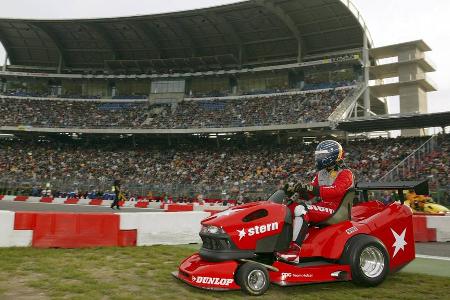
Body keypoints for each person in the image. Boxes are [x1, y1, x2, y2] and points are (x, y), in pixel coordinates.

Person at [277, 140, 354, 263]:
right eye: (318, 155)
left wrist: (310, 188)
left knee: (300, 209)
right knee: (289, 208)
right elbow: (310, 194)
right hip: (324, 207)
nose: (318, 157)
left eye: (322, 155)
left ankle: (294, 251)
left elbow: (336, 191)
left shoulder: (346, 173)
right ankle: (283, 244)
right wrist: (295, 190)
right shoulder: (321, 173)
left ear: (332, 155)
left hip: (338, 210)